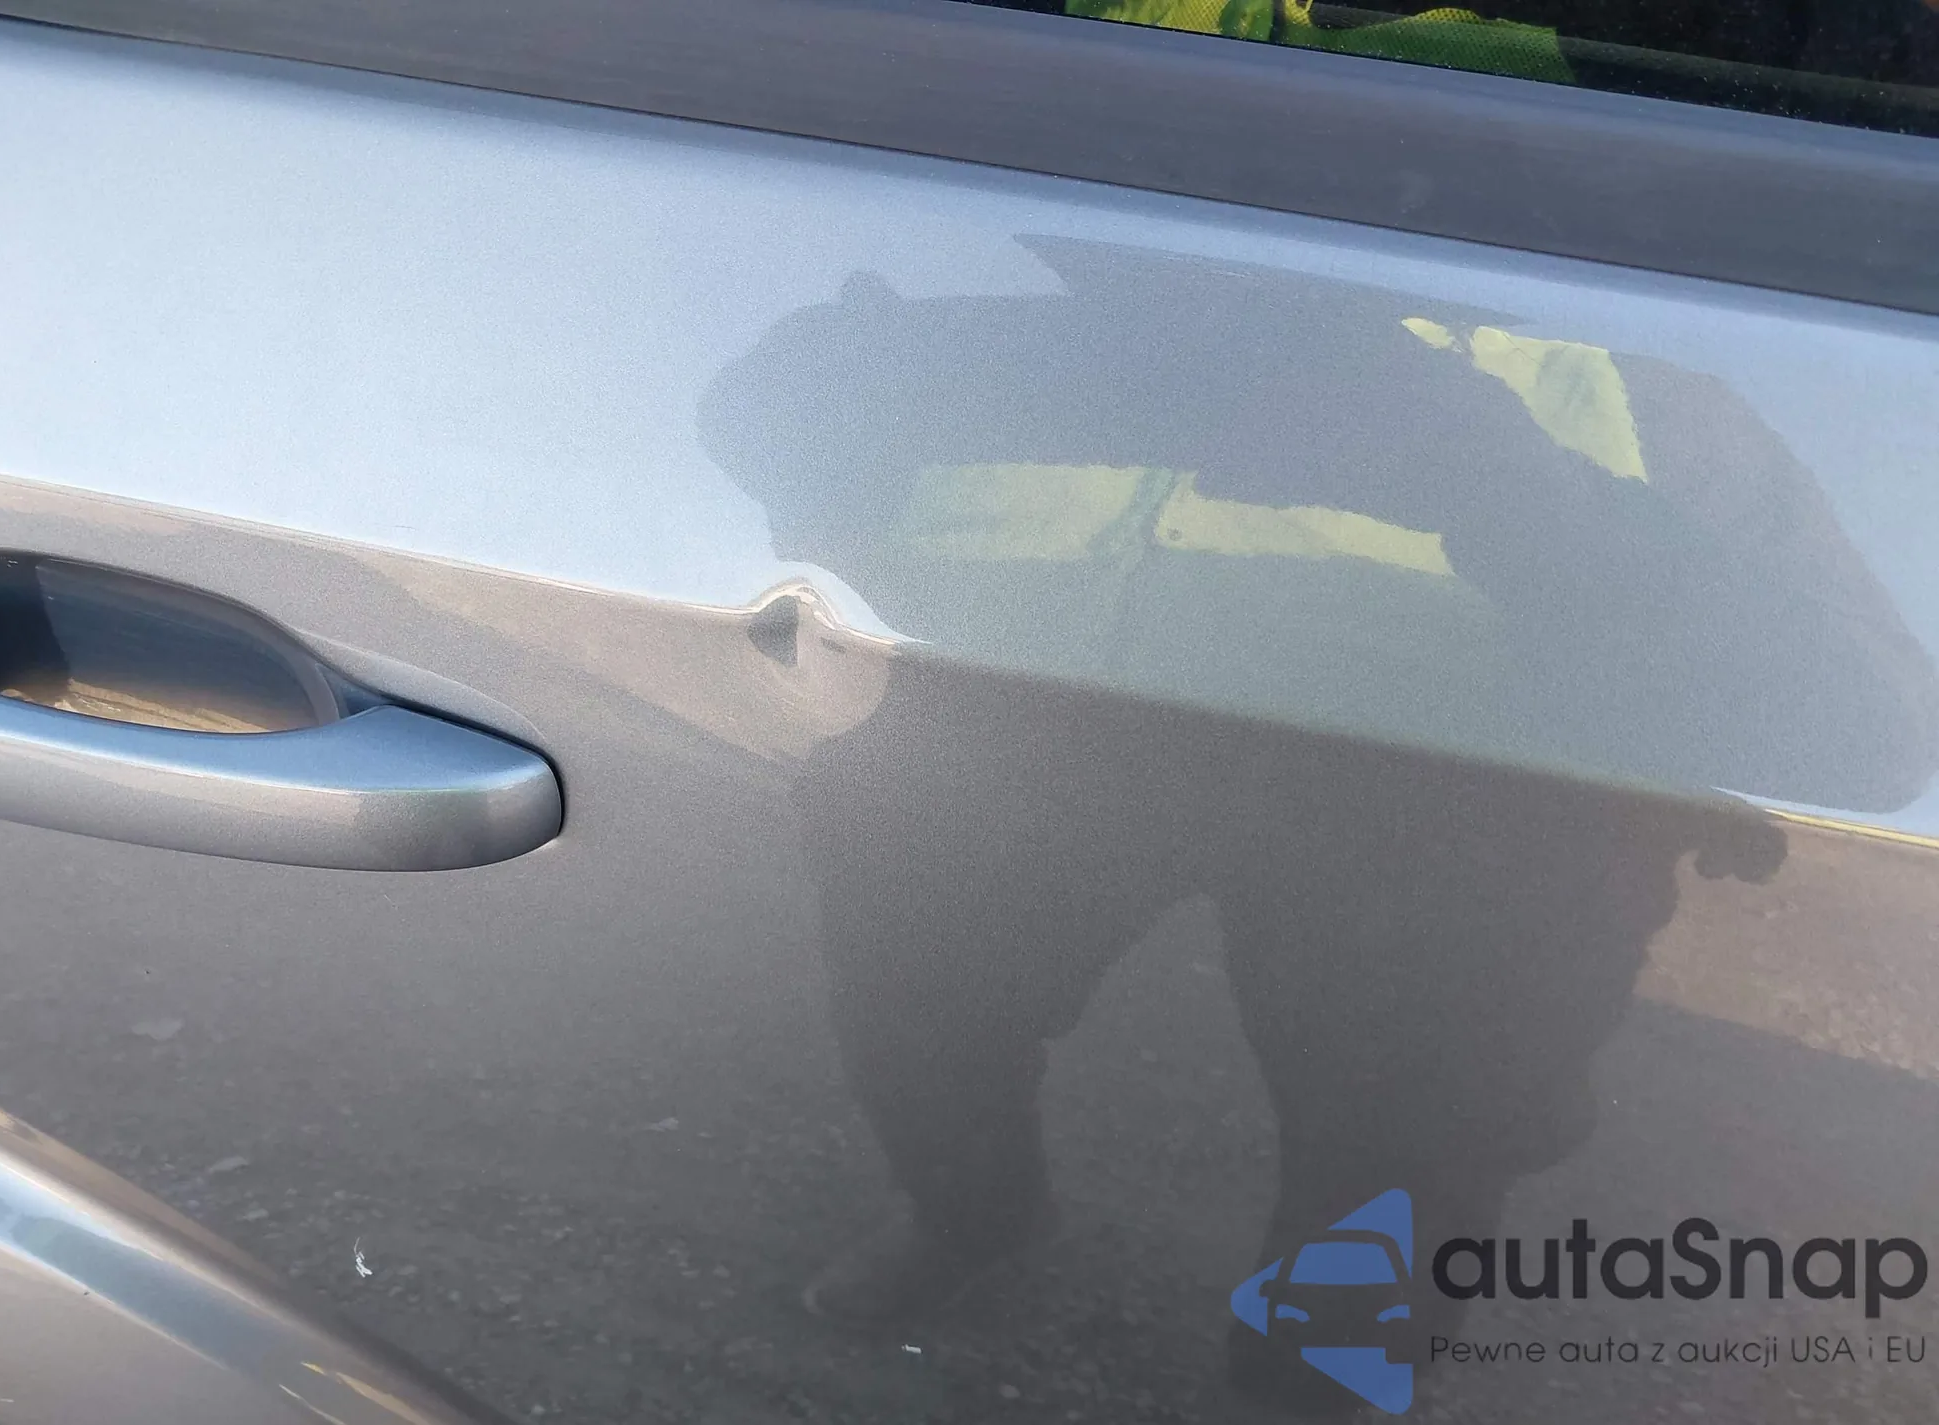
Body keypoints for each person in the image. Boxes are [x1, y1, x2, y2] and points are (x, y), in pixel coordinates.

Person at [698, 239, 1934, 1417]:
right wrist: (813, 395)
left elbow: (1870, 737)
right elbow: (765, 442)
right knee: (917, 998)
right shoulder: (1046, 330)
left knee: (1402, 1138)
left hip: (1432, 800)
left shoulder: (1642, 392)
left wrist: (1507, 488)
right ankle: (972, 1213)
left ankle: (1306, 1393)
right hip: (1038, 726)